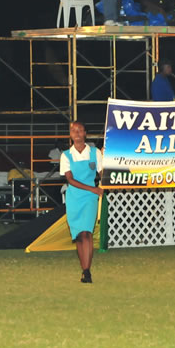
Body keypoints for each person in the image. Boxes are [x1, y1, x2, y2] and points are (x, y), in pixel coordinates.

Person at [60, 121, 103, 283]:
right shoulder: (66, 155)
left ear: (85, 133)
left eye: (80, 130)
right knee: (79, 235)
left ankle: (87, 270)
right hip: (75, 198)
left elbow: (102, 172)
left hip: (90, 198)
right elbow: (70, 180)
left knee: (87, 233)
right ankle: (84, 269)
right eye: (73, 130)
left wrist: (103, 184)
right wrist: (93, 189)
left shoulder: (95, 152)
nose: (77, 133)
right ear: (70, 135)